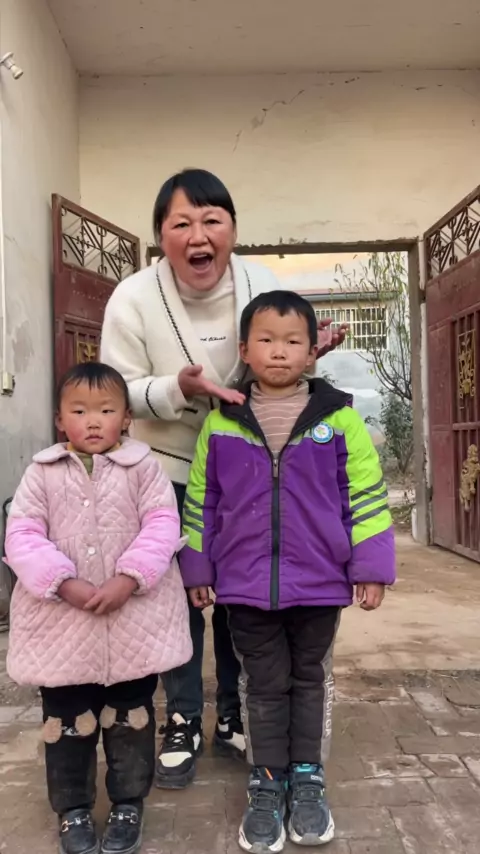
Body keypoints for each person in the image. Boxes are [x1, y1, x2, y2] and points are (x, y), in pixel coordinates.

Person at [100, 168, 348, 789]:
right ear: (160, 235)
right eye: (181, 223)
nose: (198, 235)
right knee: (178, 599)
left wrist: (303, 358)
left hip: (250, 471)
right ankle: (183, 716)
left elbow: (278, 352)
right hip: (165, 470)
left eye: (212, 220)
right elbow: (114, 389)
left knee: (243, 595)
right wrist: (175, 387)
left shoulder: (262, 284)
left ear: (233, 229)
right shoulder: (132, 297)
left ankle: (236, 713)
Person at [180, 290, 396, 852]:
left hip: (320, 585)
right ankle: (266, 779)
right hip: (245, 587)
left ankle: (307, 779)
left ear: (312, 351)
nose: (279, 352)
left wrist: (371, 565)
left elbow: (366, 496)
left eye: (293, 341)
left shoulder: (340, 420)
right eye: (266, 340)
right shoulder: (221, 424)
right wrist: (198, 566)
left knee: (310, 680)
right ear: (244, 351)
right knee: (263, 685)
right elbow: (202, 501)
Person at [5, 362, 192, 854]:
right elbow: (22, 534)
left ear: (126, 418)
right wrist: (61, 581)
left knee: (131, 715)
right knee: (66, 720)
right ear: (59, 419)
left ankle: (129, 802)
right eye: (79, 411)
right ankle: (72, 808)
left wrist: (129, 577)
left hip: (132, 623)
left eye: (106, 411)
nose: (93, 421)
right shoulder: (41, 473)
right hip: (62, 626)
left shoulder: (144, 469)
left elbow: (162, 524)